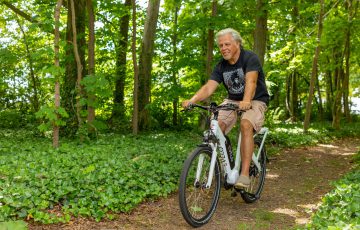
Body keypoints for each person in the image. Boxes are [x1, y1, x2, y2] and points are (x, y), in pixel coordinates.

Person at [182, 28, 269, 189]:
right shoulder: (221, 66)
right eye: (221, 45)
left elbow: (251, 82)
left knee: (245, 124)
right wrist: (192, 100)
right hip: (232, 100)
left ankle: (243, 175)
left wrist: (246, 100)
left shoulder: (250, 58)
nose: (223, 48)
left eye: (227, 44)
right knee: (216, 128)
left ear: (237, 43)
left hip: (255, 99)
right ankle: (226, 167)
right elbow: (209, 87)